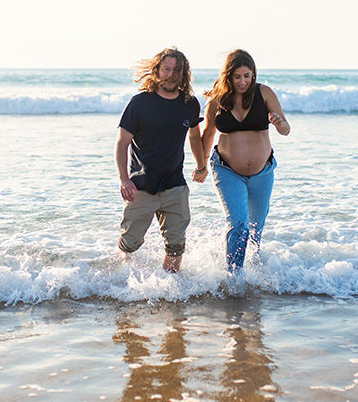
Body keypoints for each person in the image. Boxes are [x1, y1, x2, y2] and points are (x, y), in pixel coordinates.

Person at [198, 49, 290, 271]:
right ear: (228, 75)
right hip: (227, 170)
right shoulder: (216, 100)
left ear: (253, 74)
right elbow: (208, 134)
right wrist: (201, 166)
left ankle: (253, 275)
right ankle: (233, 280)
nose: (242, 81)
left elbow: (286, 130)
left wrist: (278, 123)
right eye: (237, 76)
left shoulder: (265, 93)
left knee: (255, 230)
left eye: (247, 76)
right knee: (239, 225)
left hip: (263, 173)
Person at [115, 47, 205, 273]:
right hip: (141, 187)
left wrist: (201, 165)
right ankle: (120, 286)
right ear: (157, 70)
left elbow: (194, 135)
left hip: (174, 186)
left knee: (176, 245)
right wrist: (124, 179)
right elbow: (122, 142)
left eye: (177, 70)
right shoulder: (139, 103)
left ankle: (169, 290)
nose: (171, 74)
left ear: (184, 74)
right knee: (129, 244)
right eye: (166, 69)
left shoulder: (190, 104)